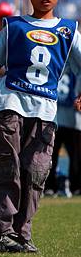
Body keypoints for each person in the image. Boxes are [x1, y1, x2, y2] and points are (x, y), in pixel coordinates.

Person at [0, 0, 81, 253]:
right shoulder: (13, 26)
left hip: (46, 111)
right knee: (6, 168)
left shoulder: (70, 31)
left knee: (35, 172)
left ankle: (21, 233)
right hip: (10, 103)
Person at [45, 67, 81, 197]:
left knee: (75, 156)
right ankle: (50, 186)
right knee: (51, 155)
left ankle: (74, 185)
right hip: (57, 118)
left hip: (70, 119)